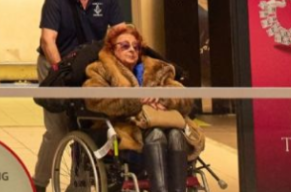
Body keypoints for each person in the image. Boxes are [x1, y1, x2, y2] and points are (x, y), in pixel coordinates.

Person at [33, 0, 124, 192]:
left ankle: (79, 185)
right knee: (58, 129)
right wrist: (61, 72)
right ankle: (39, 183)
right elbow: (47, 40)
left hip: (88, 67)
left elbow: (121, 35)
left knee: (89, 125)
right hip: (54, 64)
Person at [83, 24, 205, 192]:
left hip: (165, 124)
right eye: (125, 46)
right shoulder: (100, 70)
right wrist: (137, 100)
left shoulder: (157, 69)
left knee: (176, 134)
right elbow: (94, 98)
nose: (132, 50)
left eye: (136, 47)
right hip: (127, 130)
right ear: (112, 49)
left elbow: (184, 96)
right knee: (156, 135)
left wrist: (162, 97)